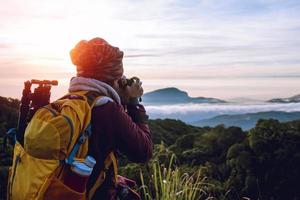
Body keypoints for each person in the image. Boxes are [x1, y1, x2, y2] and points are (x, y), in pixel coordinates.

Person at [69, 37, 153, 199]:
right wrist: (134, 102)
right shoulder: (106, 109)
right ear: (113, 79)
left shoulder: (74, 100)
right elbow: (144, 151)